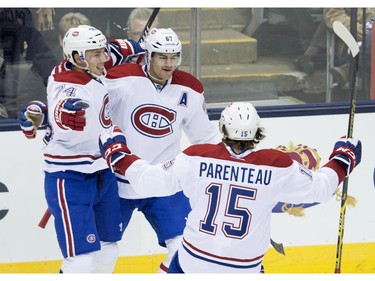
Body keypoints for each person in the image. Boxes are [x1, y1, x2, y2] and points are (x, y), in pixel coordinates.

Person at [98, 101, 362, 273]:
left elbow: (147, 180)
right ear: (258, 131)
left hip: (195, 261)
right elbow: (320, 188)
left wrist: (117, 153)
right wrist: (342, 159)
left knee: (176, 261)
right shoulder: (276, 165)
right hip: (243, 268)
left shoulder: (196, 156)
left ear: (223, 128)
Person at [104, 27, 222, 273]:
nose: (170, 64)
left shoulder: (189, 88)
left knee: (185, 249)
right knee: (102, 253)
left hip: (165, 181)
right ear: (148, 56)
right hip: (117, 181)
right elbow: (92, 113)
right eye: (162, 57)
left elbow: (206, 138)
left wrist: (225, 164)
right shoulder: (119, 78)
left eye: (174, 57)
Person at [23, 25, 124, 273]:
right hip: (70, 177)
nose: (105, 59)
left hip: (103, 172)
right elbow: (62, 110)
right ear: (78, 57)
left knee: (109, 249)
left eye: (104, 51)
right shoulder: (66, 84)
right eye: (97, 54)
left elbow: (119, 52)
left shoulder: (85, 65)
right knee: (81, 261)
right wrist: (62, 115)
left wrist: (133, 47)